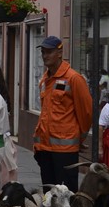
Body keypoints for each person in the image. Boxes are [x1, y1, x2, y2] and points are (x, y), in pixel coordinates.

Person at [33, 35, 92, 193]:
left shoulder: (74, 78)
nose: (45, 56)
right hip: (44, 147)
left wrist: (80, 137)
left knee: (66, 193)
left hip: (65, 150)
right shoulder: (45, 79)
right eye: (43, 52)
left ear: (59, 53)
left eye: (49, 52)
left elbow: (86, 112)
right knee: (49, 193)